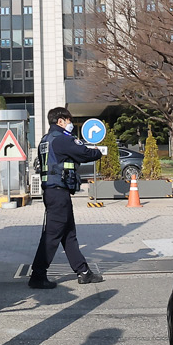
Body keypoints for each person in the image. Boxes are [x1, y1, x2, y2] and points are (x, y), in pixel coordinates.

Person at [29, 107, 103, 289]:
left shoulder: (45, 140)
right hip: (58, 193)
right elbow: (85, 154)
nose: (70, 124)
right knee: (52, 235)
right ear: (60, 121)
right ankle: (37, 275)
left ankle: (83, 272)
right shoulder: (62, 139)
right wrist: (99, 152)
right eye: (69, 120)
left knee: (69, 234)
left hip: (53, 192)